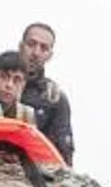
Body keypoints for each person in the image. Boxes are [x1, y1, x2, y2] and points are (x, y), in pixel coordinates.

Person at [15, 23, 73, 165]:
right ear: (20, 46)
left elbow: (63, 156)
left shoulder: (54, 98)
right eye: (31, 44)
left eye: (43, 48)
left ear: (49, 55)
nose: (36, 52)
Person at [0, 51, 36, 125]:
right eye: (4, 77)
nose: (9, 85)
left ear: (23, 85)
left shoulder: (26, 115)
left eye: (17, 80)